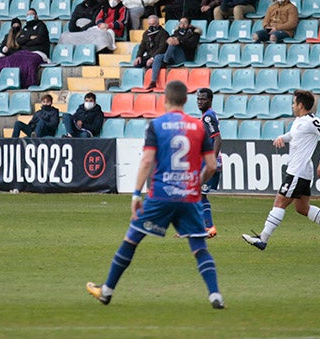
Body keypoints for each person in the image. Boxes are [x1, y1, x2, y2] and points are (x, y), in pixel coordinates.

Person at [86, 80, 223, 310]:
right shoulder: (198, 127)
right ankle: (215, 295)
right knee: (200, 248)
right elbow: (211, 165)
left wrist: (136, 194)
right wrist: (196, 185)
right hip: (189, 196)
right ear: (186, 100)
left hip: (161, 195)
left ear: (165, 100)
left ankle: (106, 291)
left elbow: (147, 161)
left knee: (132, 239)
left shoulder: (156, 125)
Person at [242, 90, 320, 251]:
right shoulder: (299, 121)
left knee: (280, 202)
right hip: (301, 170)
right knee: (302, 208)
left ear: (301, 105)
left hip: (298, 170)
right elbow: (294, 135)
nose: (292, 105)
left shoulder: (312, 121)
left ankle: (263, 239)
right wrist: (283, 138)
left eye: (294, 103)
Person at [196, 89, 222, 238]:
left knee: (199, 195)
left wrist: (211, 160)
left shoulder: (208, 117)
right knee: (199, 195)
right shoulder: (207, 116)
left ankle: (208, 227)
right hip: (206, 161)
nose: (200, 102)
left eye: (203, 99)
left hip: (209, 163)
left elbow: (218, 139)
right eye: (198, 99)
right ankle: (205, 228)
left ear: (210, 100)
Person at [148, 17, 200, 89]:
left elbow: (191, 45)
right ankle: (153, 81)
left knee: (173, 44)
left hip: (184, 56)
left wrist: (179, 42)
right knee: (158, 57)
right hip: (172, 56)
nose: (182, 24)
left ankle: (165, 61)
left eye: (185, 23)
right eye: (181, 23)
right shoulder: (176, 32)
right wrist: (170, 40)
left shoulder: (194, 34)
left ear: (189, 25)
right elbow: (169, 40)